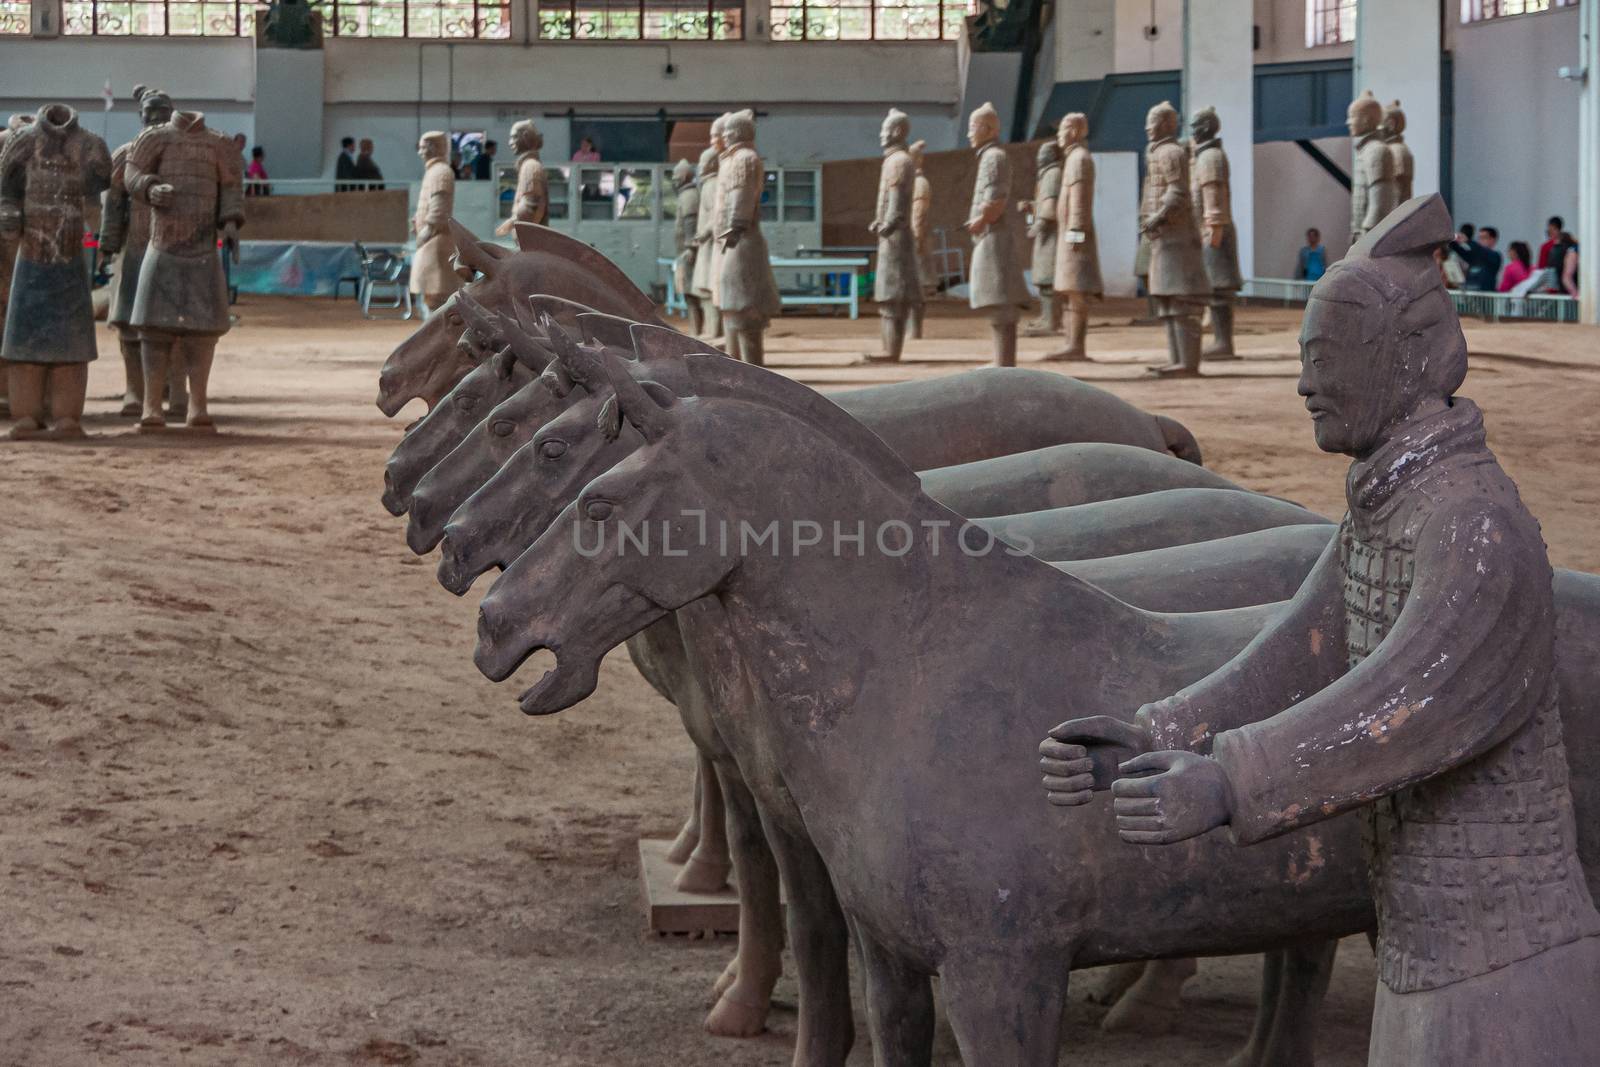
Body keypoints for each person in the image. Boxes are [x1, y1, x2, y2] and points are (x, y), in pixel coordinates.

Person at [1042, 194, 1600, 1067]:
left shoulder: (1471, 524)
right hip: (1425, 941)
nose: (1306, 384)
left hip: (1505, 956)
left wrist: (1229, 777)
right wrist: (1156, 731)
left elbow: (1408, 706)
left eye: (1326, 358)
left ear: (1405, 360)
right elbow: (1301, 649)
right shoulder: (1391, 506)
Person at [1448, 224, 1499, 291]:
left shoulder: (1495, 256)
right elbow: (1459, 250)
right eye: (1479, 238)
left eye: (1484, 237)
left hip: (1485, 299)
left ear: (1493, 240)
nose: (1480, 241)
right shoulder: (1474, 256)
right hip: (1470, 297)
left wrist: (1467, 240)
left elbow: (1479, 249)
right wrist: (1451, 240)